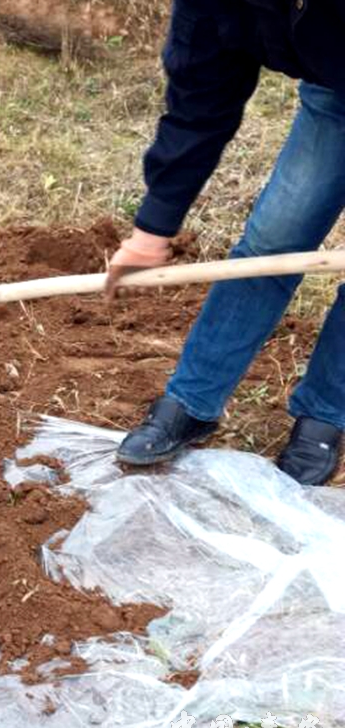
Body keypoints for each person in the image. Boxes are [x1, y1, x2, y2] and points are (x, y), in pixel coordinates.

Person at [106, 0, 345, 486]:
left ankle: (326, 412)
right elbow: (199, 105)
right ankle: (192, 401)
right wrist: (152, 231)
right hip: (334, 86)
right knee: (273, 241)